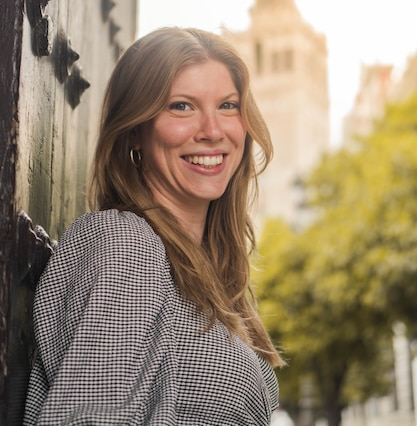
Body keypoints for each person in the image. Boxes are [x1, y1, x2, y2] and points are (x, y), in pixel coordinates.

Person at [24, 26, 284, 425]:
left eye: (228, 106)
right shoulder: (126, 243)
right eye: (182, 106)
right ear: (135, 132)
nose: (213, 131)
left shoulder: (206, 276)